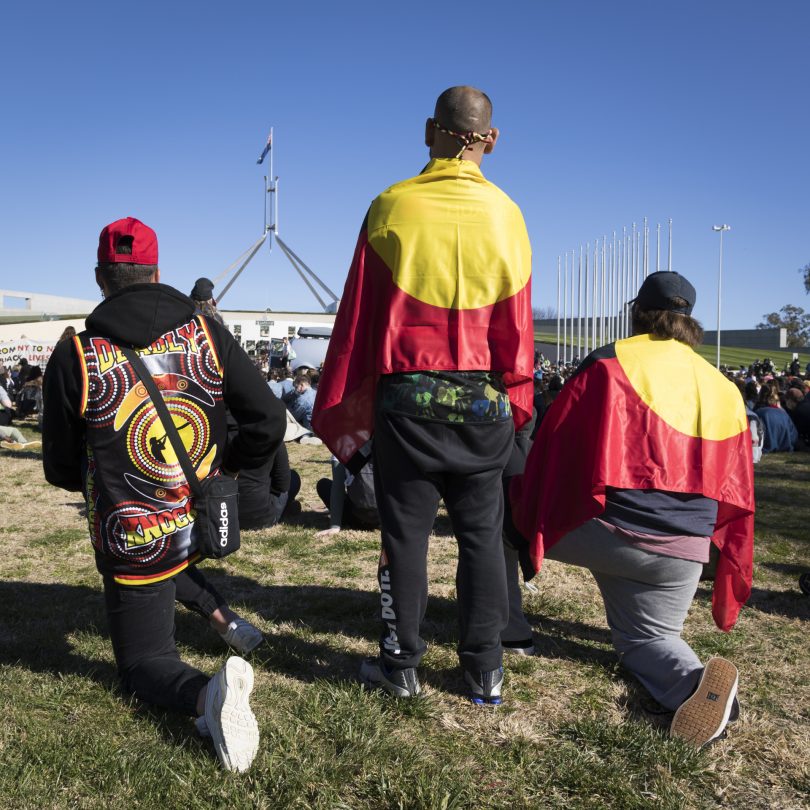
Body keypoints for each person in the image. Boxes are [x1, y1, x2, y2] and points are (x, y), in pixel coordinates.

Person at [312, 86, 533, 704]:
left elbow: (359, 316)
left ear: (429, 129)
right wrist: (516, 398)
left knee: (403, 536)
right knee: (481, 536)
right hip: (484, 402)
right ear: (491, 139)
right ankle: (484, 669)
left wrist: (349, 398)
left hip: (407, 401)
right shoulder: (509, 215)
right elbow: (516, 325)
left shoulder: (391, 206)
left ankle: (401, 664)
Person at [43, 217, 287, 772]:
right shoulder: (206, 334)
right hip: (201, 513)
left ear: (100, 277)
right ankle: (223, 618)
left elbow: (59, 468)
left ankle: (207, 697)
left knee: (144, 663)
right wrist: (228, 469)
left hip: (132, 532)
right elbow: (269, 419)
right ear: (157, 273)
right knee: (171, 561)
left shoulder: (78, 355)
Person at [511, 271, 755, 748]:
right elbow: (736, 484)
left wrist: (531, 504)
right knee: (645, 639)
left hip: (607, 531)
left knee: (496, 517)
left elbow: (554, 443)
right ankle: (691, 684)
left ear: (637, 311)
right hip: (684, 551)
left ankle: (505, 630)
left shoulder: (610, 363)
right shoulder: (723, 387)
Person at [754, 382, 798, 452]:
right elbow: (793, 436)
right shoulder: (783, 413)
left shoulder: (758, 413)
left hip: (765, 448)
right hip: (785, 448)